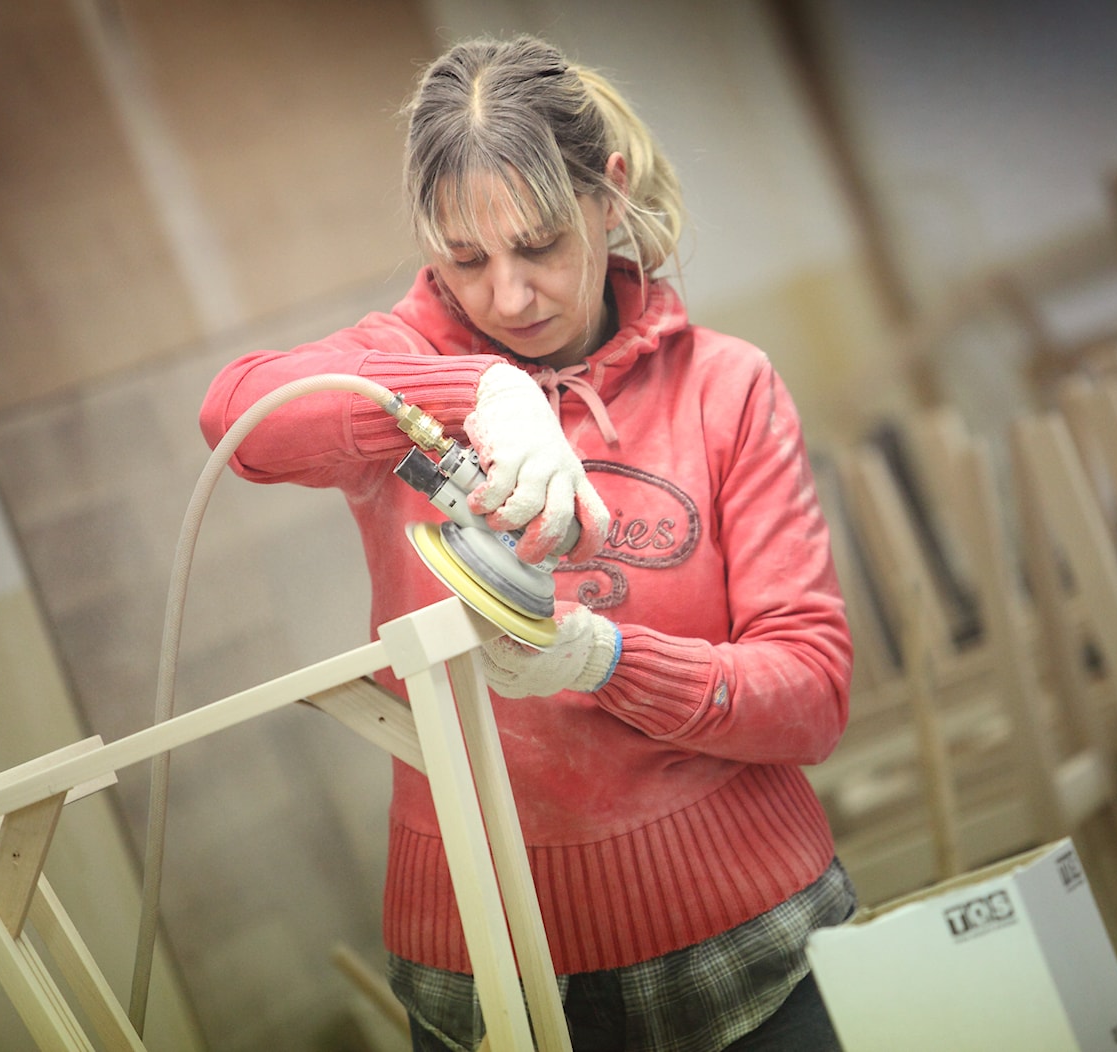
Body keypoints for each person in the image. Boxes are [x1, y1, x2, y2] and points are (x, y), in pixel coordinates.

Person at [200, 34, 854, 1052]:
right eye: (468, 259)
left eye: (542, 243)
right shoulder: (396, 372)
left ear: (609, 193)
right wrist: (477, 389)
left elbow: (811, 691)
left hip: (750, 941)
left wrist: (608, 659)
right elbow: (233, 414)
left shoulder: (726, 387)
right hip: (487, 967)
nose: (508, 296)